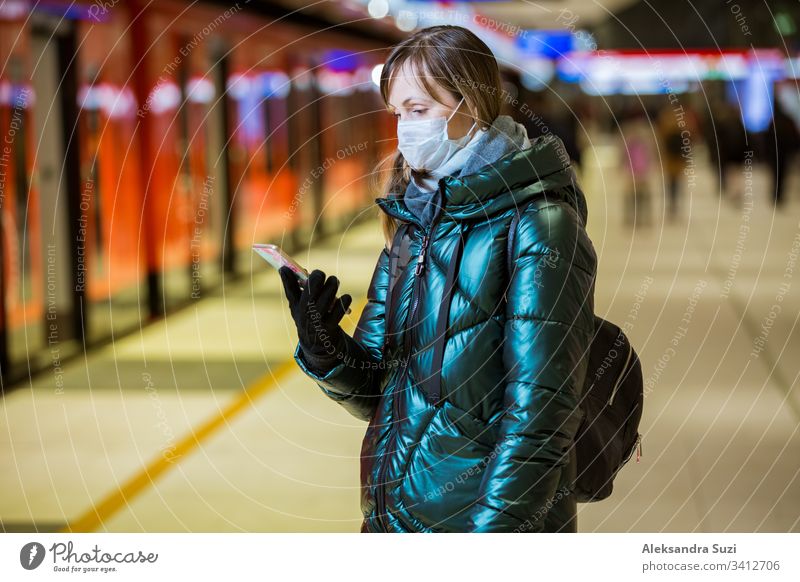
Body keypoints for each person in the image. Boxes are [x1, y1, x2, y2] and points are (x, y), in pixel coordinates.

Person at [279, 25, 597, 533]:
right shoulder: (414, 220)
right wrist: (324, 348)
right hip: (394, 519)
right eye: (399, 112)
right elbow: (381, 393)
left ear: (468, 104)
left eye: (419, 110)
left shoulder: (541, 225)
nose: (405, 128)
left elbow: (541, 418)